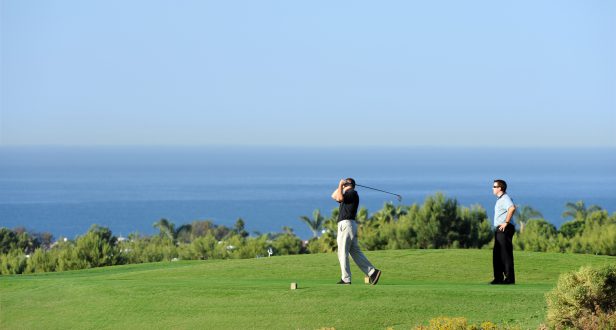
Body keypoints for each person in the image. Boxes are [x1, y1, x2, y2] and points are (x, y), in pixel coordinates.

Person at [331, 178, 381, 285]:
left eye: (345, 184)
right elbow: (334, 196)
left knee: (342, 252)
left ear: (348, 184)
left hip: (346, 225)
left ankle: (346, 279)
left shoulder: (351, 193)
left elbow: (339, 198)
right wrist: (340, 186)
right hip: (349, 225)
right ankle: (373, 272)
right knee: (355, 252)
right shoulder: (348, 193)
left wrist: (341, 185)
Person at [491, 179, 516, 284]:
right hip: (500, 229)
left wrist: (506, 222)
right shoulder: (500, 199)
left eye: (494, 186)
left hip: (504, 228)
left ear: (500, 188)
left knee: (505, 254)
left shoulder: (505, 198)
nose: (492, 188)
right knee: (497, 254)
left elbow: (512, 208)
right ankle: (498, 278)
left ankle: (509, 279)